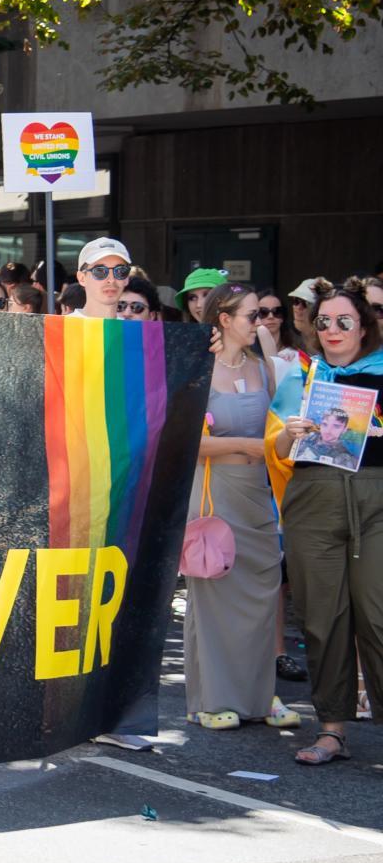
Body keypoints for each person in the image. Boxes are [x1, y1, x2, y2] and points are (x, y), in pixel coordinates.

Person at [272, 278, 383, 765]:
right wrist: (288, 433)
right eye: (324, 322)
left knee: (377, 617)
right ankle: (332, 730)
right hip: (314, 501)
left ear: (364, 326)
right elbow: (273, 449)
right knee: (321, 618)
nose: (334, 330)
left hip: (377, 503)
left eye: (344, 321)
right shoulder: (301, 375)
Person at [182, 284, 298, 731]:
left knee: (262, 588)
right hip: (214, 489)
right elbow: (185, 442)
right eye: (253, 315)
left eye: (267, 315)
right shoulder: (197, 368)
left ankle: (258, 696)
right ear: (225, 319)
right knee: (214, 592)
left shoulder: (263, 367)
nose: (263, 322)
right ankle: (212, 700)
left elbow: (278, 431)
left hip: (256, 490)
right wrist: (249, 445)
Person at [73, 238, 133, 319]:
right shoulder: (58, 329)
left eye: (120, 271)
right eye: (100, 271)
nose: (111, 280)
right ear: (82, 278)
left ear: (127, 278)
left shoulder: (132, 330)